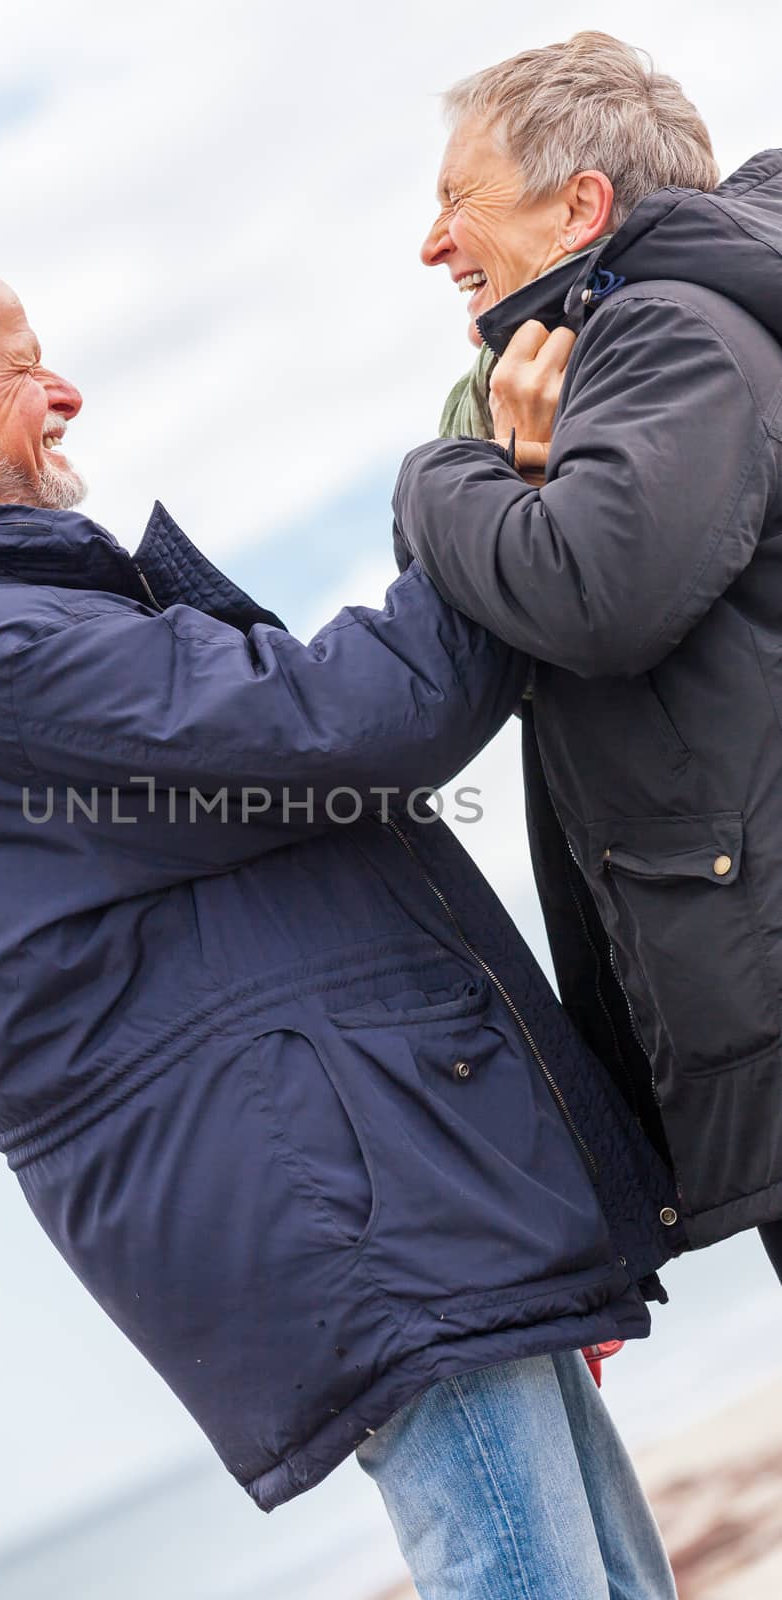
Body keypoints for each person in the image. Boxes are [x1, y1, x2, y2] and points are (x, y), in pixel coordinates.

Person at [0, 248, 679, 1597]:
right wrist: (490, 482)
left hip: (389, 1183)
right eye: (20, 369)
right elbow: (346, 722)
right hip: (359, 1208)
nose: (63, 390)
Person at [394, 30, 782, 1283]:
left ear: (580, 206)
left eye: (458, 198)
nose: (432, 241)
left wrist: (443, 476)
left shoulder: (666, 329)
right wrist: (521, 478)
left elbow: (592, 593)